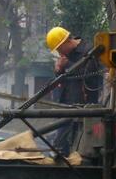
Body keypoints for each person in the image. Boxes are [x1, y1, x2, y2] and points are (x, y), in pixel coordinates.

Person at [44, 27, 104, 155]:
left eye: (60, 49)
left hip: (84, 105)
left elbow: (90, 76)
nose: (60, 53)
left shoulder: (89, 51)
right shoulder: (66, 57)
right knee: (61, 142)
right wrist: (58, 70)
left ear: (66, 41)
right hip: (65, 105)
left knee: (81, 145)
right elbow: (61, 81)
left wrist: (68, 65)